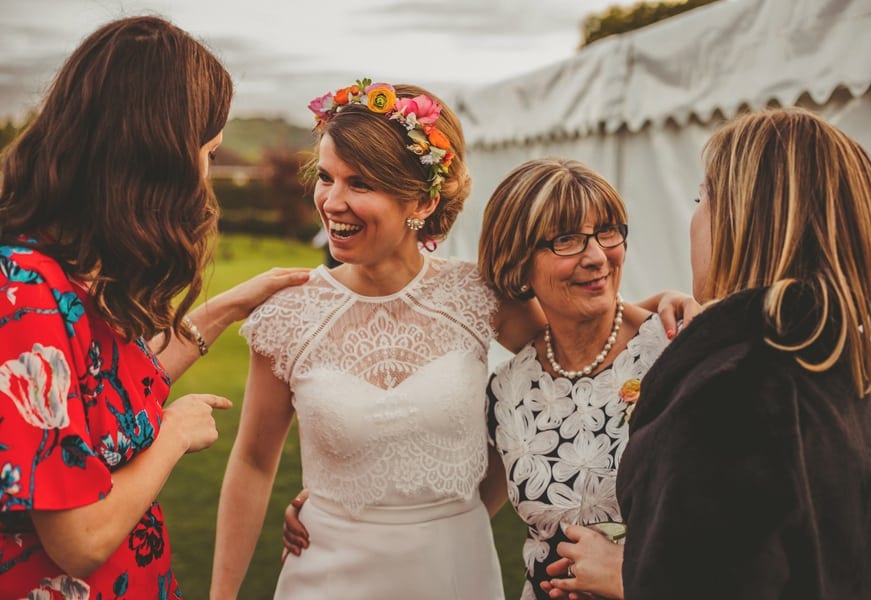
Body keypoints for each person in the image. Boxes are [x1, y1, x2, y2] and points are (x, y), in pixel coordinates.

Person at [215, 79, 695, 599]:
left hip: (454, 570)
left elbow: (577, 333)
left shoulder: (479, 295)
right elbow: (253, 461)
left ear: (419, 201)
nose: (332, 201)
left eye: (359, 184)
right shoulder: (290, 312)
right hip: (327, 570)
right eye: (326, 177)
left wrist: (655, 309)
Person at [0, 16, 307, 599]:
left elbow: (102, 399)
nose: (205, 176)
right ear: (159, 154)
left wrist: (229, 307)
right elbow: (79, 538)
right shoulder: (25, 296)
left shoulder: (68, 269)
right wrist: (172, 434)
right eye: (208, 154)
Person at [542, 107, 871, 600]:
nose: (695, 218)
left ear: (745, 218)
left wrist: (628, 576)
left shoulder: (732, 386)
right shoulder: (850, 362)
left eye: (702, 199)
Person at [476, 158, 674, 600]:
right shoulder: (507, 389)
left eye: (607, 231)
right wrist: (334, 514)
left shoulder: (675, 354)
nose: (598, 256)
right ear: (517, 261)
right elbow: (463, 509)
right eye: (567, 240)